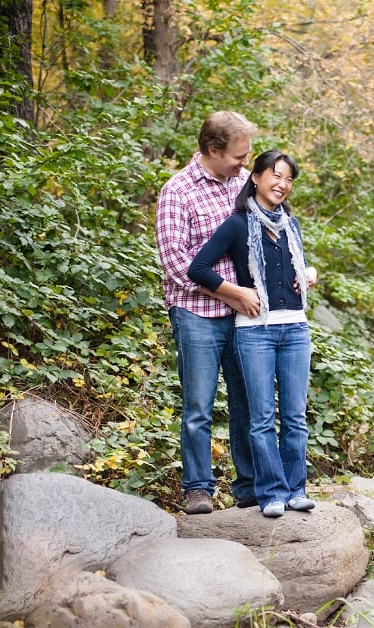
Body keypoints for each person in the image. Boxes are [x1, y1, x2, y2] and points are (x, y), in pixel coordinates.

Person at [188, 149, 318, 518]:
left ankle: (296, 489)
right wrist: (236, 292)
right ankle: (271, 492)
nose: (283, 184)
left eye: (289, 179)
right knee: (260, 418)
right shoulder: (237, 224)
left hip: (295, 328)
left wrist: (308, 273)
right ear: (256, 177)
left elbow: (291, 270)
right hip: (254, 332)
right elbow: (198, 268)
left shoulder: (290, 225)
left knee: (294, 417)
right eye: (276, 175)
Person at [155, 111, 260, 514]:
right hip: (196, 313)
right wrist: (232, 293)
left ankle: (248, 486)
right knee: (198, 406)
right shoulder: (177, 192)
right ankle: (198, 488)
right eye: (238, 156)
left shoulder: (241, 185)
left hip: (243, 314)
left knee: (246, 401)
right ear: (213, 150)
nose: (244, 163)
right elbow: (176, 264)